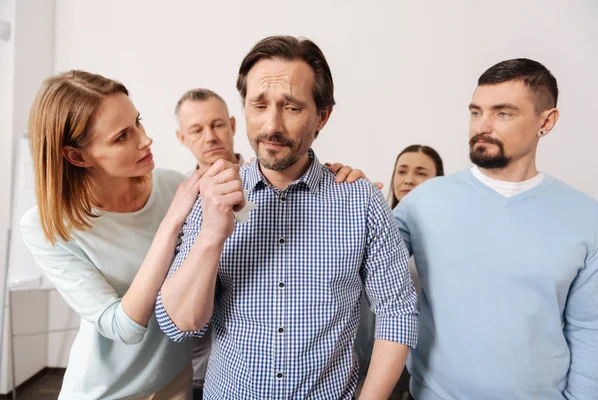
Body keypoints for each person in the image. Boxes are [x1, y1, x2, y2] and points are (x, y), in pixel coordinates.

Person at [156, 35, 418, 399]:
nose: (271, 126)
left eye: (291, 107)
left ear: (321, 116)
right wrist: (212, 235)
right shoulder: (210, 197)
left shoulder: (363, 202)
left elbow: (397, 313)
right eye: (258, 105)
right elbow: (180, 325)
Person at [394, 58, 598, 399]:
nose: (482, 126)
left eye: (503, 113)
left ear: (546, 122)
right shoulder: (424, 201)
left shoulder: (586, 217)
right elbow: (351, 264)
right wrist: (340, 188)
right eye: (476, 112)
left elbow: (591, 328)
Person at [174, 87, 378, 399]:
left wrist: (352, 195)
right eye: (196, 130)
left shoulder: (351, 194)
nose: (210, 138)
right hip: (206, 372)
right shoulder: (185, 198)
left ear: (231, 124)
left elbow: (395, 309)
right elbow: (178, 322)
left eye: (216, 125)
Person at [20, 70, 202, 399]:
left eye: (138, 122)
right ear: (76, 156)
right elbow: (123, 327)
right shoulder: (48, 227)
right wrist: (171, 223)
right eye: (122, 137)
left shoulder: (172, 184)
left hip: (175, 380)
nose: (144, 139)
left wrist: (320, 176)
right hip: (107, 392)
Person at [355, 145, 443, 398]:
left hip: (421, 354)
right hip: (370, 351)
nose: (408, 179)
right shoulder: (372, 225)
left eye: (421, 173)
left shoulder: (444, 239)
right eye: (402, 171)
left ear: (438, 182)